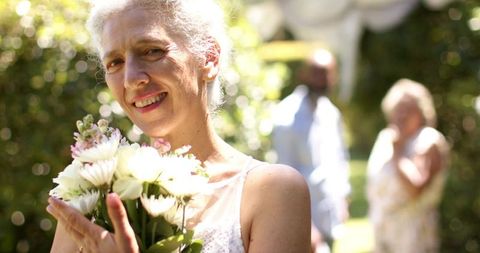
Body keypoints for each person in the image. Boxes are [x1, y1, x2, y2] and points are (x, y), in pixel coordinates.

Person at [46, 0, 311, 252]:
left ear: (209, 58)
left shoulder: (272, 192)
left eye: (152, 51)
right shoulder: (93, 196)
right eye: (115, 62)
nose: (130, 79)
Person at [272, 49, 351, 253]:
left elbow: (339, 159)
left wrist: (343, 199)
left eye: (326, 73)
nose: (321, 79)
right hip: (304, 222)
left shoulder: (331, 113)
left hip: (330, 214)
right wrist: (307, 227)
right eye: (316, 72)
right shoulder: (286, 117)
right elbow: (285, 176)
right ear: (304, 74)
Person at [367, 79, 450, 253]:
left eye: (408, 109)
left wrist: (397, 154)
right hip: (383, 230)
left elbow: (415, 187)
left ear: (421, 113)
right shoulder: (386, 137)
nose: (401, 115)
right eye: (398, 109)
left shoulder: (429, 140)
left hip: (412, 236)